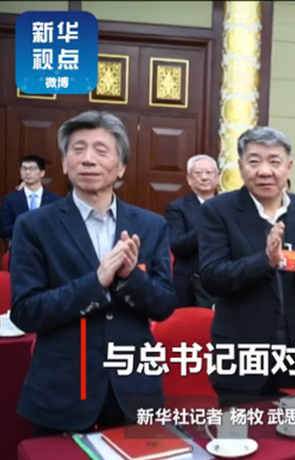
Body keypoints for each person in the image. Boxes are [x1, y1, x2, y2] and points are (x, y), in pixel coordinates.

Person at [9, 111, 177, 437]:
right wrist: (96, 282)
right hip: (62, 389)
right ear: (65, 163)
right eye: (78, 149)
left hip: (133, 388)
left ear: (121, 167)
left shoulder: (150, 225)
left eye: (101, 150)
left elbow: (164, 306)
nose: (88, 159)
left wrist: (131, 277)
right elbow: (26, 312)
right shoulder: (33, 226)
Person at [199, 126, 295, 405]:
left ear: (289, 167)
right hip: (241, 351)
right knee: (240, 427)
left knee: (292, 428)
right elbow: (212, 277)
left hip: (293, 348)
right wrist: (265, 261)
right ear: (240, 166)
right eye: (254, 161)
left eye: (274, 162)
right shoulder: (218, 211)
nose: (265, 171)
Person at [165, 154, 218, 308]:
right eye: (198, 173)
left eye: (209, 173)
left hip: (222, 279)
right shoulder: (177, 208)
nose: (204, 177)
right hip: (189, 283)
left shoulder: (229, 206)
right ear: (189, 179)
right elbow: (176, 245)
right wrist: (207, 227)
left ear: (217, 177)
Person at [0, 155, 61, 241]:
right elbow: (4, 229)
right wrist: (27, 229)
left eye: (32, 168)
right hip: (20, 246)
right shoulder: (10, 200)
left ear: (42, 173)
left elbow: (58, 227)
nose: (27, 172)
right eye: (24, 168)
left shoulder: (55, 200)